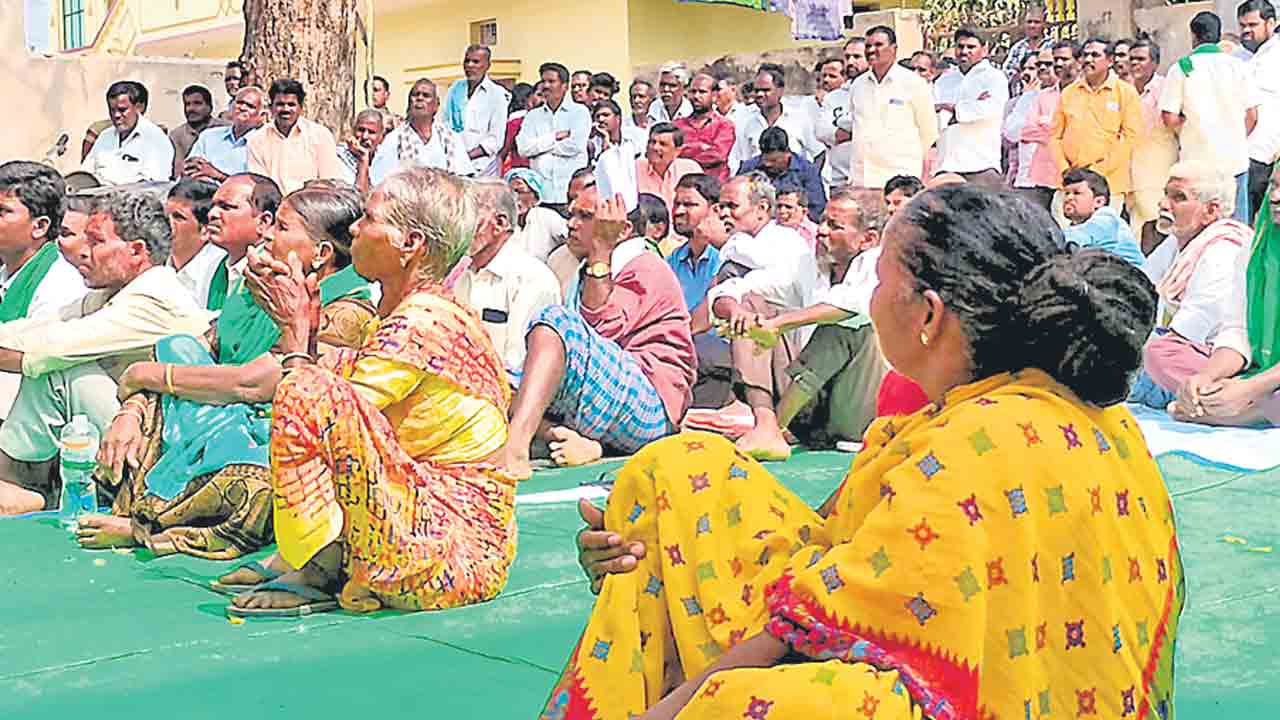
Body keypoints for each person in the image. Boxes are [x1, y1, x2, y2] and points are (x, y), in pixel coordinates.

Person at [545, 183, 1182, 720]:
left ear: (928, 316)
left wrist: (676, 708)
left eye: (879, 277)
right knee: (677, 472)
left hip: (979, 699)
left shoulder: (969, 446)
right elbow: (836, 546)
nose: (869, 297)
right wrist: (653, 531)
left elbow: (805, 619)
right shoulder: (1071, 416)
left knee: (745, 701)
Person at [216, 168, 516, 616]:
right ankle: (314, 556)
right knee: (324, 372)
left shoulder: (423, 321)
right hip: (427, 523)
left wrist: (296, 337)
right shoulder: (401, 311)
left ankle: (317, 568)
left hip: (450, 550)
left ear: (410, 245)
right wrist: (308, 335)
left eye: (370, 219)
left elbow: (326, 415)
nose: (354, 228)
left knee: (310, 391)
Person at [81, 186, 377, 558]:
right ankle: (146, 507)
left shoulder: (347, 312)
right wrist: (133, 406)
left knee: (259, 481)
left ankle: (155, 524)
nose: (267, 234)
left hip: (267, 431)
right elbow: (198, 349)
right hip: (221, 414)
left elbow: (253, 383)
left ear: (321, 254)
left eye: (282, 228)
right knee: (177, 350)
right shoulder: (260, 286)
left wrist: (142, 374)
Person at [0, 191, 214, 515]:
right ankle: (21, 484)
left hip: (169, 443)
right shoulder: (113, 291)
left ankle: (17, 485)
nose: (83, 253)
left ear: (137, 251)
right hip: (136, 427)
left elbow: (46, 348)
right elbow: (36, 327)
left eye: (96, 242)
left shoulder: (154, 296)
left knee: (60, 371)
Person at [495, 186, 695, 479]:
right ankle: (565, 438)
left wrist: (603, 248)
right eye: (571, 213)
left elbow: (602, 329)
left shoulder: (644, 263)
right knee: (492, 377)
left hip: (652, 405)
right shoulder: (574, 265)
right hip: (596, 402)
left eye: (585, 217)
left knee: (556, 320)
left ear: (622, 229)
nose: (571, 224)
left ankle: (516, 446)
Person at [685, 174, 819, 458]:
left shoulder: (786, 243)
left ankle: (766, 423)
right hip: (773, 366)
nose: (722, 214)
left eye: (731, 206)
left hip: (803, 376)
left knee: (749, 309)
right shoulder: (739, 251)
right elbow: (716, 304)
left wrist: (726, 246)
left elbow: (765, 286)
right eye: (719, 206)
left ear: (761, 209)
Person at [745, 188, 890, 448]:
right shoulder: (810, 262)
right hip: (813, 404)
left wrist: (779, 324)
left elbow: (851, 307)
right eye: (822, 221)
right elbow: (749, 286)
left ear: (867, 239)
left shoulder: (880, 261)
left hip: (862, 410)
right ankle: (764, 419)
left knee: (845, 326)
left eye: (834, 226)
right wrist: (737, 312)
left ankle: (774, 428)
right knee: (751, 308)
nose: (821, 230)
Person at [1130, 164, 1253, 410]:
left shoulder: (1224, 251)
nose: (1164, 204)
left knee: (1154, 354)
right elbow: (1136, 285)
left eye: (1179, 198)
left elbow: (1190, 329)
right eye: (1166, 194)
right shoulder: (1179, 243)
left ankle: (1227, 398)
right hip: (1181, 347)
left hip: (1218, 358)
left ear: (1211, 211)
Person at [1168, 163, 1280, 426]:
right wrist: (1207, 377)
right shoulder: (1256, 253)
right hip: (1262, 370)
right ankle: (1226, 404)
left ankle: (1249, 412)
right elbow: (1237, 330)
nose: (1274, 197)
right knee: (1161, 354)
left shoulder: (1224, 246)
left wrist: (1251, 388)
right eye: (1273, 186)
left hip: (1266, 380)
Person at [455, 178, 562, 379]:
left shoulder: (533, 280)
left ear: (499, 224)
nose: (460, 225)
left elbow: (518, 368)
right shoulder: (463, 275)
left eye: (468, 216)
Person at [1160, 10, 1259, 223]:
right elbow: (1252, 115)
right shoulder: (1238, 66)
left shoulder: (1183, 68)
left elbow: (1169, 117)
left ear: (1193, 36)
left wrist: (1188, 129)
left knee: (1199, 224)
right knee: (1236, 226)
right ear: (1218, 35)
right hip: (1234, 161)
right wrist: (1236, 138)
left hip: (1197, 162)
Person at [1050, 38, 1143, 211]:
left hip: (1107, 185)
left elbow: (1130, 139)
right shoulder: (1069, 93)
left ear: (1109, 61)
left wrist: (1095, 172)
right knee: (1065, 234)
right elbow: (1055, 137)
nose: (1088, 60)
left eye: (1095, 55)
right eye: (1085, 55)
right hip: (1069, 183)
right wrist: (1065, 170)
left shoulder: (1125, 93)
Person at [847, 25, 939, 190]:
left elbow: (929, 132)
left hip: (900, 179)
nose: (871, 50)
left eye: (878, 45)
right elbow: (856, 126)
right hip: (863, 178)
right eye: (868, 46)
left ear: (894, 49)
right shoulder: (857, 85)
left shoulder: (913, 83)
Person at [934, 27, 1010, 188]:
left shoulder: (994, 77)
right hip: (948, 164)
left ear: (984, 49)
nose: (964, 51)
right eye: (960, 47)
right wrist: (968, 107)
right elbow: (934, 112)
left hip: (981, 163)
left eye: (971, 47)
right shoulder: (944, 80)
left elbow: (990, 109)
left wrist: (952, 109)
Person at [518, 63, 592, 212]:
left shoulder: (579, 113)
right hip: (542, 196)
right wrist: (554, 137)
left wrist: (539, 147)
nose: (546, 86)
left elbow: (574, 146)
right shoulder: (533, 116)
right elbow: (523, 149)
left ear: (564, 86)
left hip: (569, 197)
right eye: (543, 81)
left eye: (551, 81)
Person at [1128, 39, 1180, 252]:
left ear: (1155, 63)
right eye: (1132, 59)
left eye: (1140, 59)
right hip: (1130, 167)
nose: (1134, 64)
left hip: (1159, 166)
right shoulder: (1125, 91)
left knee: (1157, 220)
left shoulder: (1166, 88)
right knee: (1135, 223)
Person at [204, 173, 283, 312]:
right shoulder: (220, 266)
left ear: (264, 221)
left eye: (226, 207)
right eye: (213, 205)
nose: (212, 213)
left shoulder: (271, 274)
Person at [247, 79, 341, 194]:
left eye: (291, 105)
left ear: (301, 108)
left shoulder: (320, 136)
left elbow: (329, 182)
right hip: (274, 206)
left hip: (313, 205)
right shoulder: (257, 140)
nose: (286, 109)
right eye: (280, 104)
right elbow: (260, 186)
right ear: (271, 107)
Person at [371, 79, 473, 184]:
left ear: (436, 105)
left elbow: (465, 180)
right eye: (415, 95)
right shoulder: (394, 139)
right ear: (409, 102)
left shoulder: (451, 138)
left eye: (426, 96)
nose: (420, 98)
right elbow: (379, 181)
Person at [733, 65, 822, 173]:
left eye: (766, 90)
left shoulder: (799, 119)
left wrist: (810, 178)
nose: (759, 94)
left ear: (780, 91)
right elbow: (742, 159)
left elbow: (819, 153)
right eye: (757, 91)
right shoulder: (746, 121)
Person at [82, 81, 175, 186]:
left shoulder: (156, 140)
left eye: (122, 110)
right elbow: (85, 174)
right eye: (112, 110)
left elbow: (154, 186)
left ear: (139, 108)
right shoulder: (105, 136)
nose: (116, 115)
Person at [443, 45, 512, 177]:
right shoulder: (455, 88)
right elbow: (445, 124)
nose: (470, 66)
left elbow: (495, 140)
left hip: (482, 168)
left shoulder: (497, 94)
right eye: (467, 61)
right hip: (454, 166)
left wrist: (466, 157)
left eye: (476, 62)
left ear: (487, 65)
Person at [1240, 0, 1280, 220]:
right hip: (1247, 155)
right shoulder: (1243, 59)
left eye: (1253, 25)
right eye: (1243, 25)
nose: (1246, 31)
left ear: (1271, 23)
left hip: (1269, 157)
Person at [1059, 168, 1146, 266]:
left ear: (1099, 202)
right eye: (1066, 193)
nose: (1068, 198)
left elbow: (1071, 238)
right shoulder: (1076, 227)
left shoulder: (1106, 218)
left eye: (1077, 193)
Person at [739, 127, 826, 223]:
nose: (768, 164)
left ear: (787, 154)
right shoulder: (749, 168)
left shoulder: (807, 171)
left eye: (774, 160)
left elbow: (817, 209)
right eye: (765, 160)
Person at [164, 179, 227, 307]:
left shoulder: (219, 275)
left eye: (178, 217)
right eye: (164, 215)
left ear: (205, 230)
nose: (166, 222)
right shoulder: (153, 263)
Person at [185, 86, 267, 182]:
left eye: (250, 106)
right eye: (239, 103)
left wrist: (217, 175)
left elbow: (255, 185)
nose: (243, 108)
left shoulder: (263, 145)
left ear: (261, 116)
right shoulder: (208, 136)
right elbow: (190, 168)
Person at [674, 73, 736, 183]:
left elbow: (718, 155)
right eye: (693, 92)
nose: (696, 96)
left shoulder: (724, 125)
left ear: (714, 95)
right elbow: (670, 153)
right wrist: (700, 147)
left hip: (714, 186)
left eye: (702, 92)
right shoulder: (677, 125)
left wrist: (685, 153)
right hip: (682, 184)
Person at [506, 168, 568, 267]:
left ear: (535, 197)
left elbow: (571, 240)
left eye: (520, 192)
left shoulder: (547, 217)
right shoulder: (504, 223)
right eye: (511, 193)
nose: (515, 198)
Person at [810, 56, 853, 191]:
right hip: (835, 178)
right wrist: (849, 133)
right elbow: (821, 132)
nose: (826, 80)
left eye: (832, 76)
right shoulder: (831, 99)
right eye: (824, 76)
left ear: (844, 77)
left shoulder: (861, 94)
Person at [637, 123, 703, 210]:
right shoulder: (635, 169)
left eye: (663, 144)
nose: (655, 147)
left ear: (678, 151)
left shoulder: (690, 169)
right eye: (652, 142)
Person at [168, 85, 228, 179]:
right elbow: (177, 172)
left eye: (197, 103)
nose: (191, 109)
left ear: (210, 107)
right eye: (187, 104)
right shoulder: (176, 136)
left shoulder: (225, 130)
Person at [1002, 2, 1049, 96]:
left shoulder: (1051, 46)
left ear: (1044, 24)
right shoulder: (1017, 48)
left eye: (1036, 22)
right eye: (1029, 22)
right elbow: (1006, 73)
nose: (1032, 26)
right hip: (1019, 96)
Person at [335, 109, 386, 192]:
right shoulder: (339, 157)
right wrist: (363, 158)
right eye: (361, 130)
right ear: (353, 130)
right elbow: (359, 196)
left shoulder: (385, 157)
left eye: (371, 132)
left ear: (381, 137)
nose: (365, 136)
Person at [500, 82, 541, 175]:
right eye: (539, 95)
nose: (543, 99)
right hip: (521, 174)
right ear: (530, 97)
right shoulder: (516, 121)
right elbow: (504, 151)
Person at [590, 99, 646, 163]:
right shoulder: (593, 144)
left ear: (618, 118)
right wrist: (605, 141)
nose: (601, 119)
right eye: (597, 116)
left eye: (606, 115)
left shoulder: (637, 136)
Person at [775, 185, 818, 250]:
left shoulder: (816, 233)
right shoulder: (767, 229)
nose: (782, 211)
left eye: (788, 207)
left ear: (804, 211)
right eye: (779, 206)